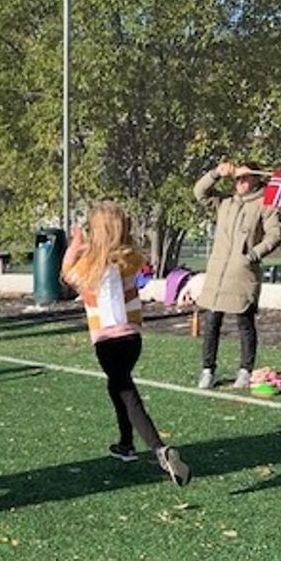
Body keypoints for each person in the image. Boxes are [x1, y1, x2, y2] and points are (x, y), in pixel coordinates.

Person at [62, 201, 191, 487]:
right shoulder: (130, 260)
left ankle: (160, 449)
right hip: (132, 338)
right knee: (117, 385)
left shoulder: (89, 265)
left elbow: (66, 276)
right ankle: (125, 444)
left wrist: (74, 246)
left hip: (107, 340)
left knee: (126, 392)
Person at [194, 162, 281, 389]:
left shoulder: (267, 204)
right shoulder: (224, 202)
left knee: (245, 323)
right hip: (217, 275)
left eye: (244, 178)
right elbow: (199, 192)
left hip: (243, 274)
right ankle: (208, 369)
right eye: (237, 179)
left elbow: (274, 235)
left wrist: (254, 253)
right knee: (212, 322)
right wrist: (215, 173)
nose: (240, 183)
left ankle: (245, 370)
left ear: (255, 179)